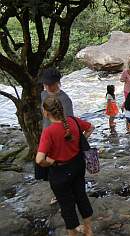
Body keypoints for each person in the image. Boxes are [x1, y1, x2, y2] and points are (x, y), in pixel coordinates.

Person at [36, 97, 94, 236]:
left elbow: (39, 160)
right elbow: (91, 127)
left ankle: (72, 234)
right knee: (81, 196)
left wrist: (49, 162)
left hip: (60, 172)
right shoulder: (73, 121)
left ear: (45, 113)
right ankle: (88, 230)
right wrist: (82, 140)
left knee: (67, 205)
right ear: (61, 109)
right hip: (78, 165)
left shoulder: (49, 132)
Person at [37, 67, 74, 205]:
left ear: (58, 82)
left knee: (62, 168)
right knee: (51, 171)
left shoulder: (65, 100)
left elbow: (70, 123)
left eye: (51, 84)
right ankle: (58, 194)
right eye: (46, 84)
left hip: (60, 138)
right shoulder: (43, 95)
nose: (48, 86)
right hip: (47, 136)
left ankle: (66, 194)